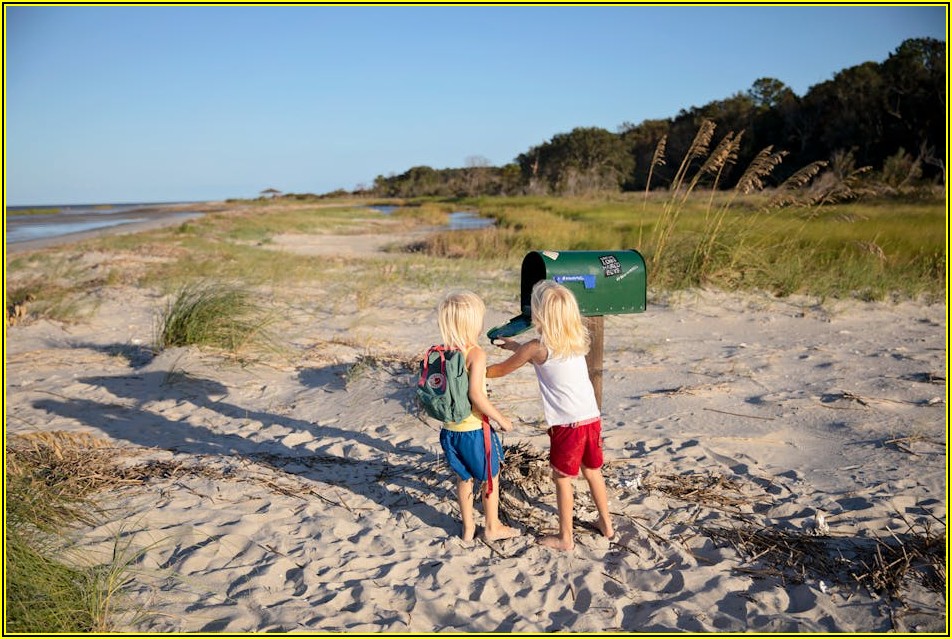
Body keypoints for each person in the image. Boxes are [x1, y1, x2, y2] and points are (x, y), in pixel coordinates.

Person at [487, 280, 613, 551]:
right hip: (591, 418)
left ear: (539, 315)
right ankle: (607, 524)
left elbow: (499, 370)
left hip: (567, 426)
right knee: (593, 472)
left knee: (562, 479)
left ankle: (565, 538)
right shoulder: (575, 340)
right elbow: (535, 354)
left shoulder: (535, 347)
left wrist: (471, 371)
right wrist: (513, 346)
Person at [436, 291, 520, 542]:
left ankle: (468, 528)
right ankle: (492, 527)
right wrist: (501, 419)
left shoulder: (442, 352)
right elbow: (476, 395)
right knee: (490, 479)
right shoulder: (475, 353)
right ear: (474, 322)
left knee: (463, 478)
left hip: (449, 431)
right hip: (474, 430)